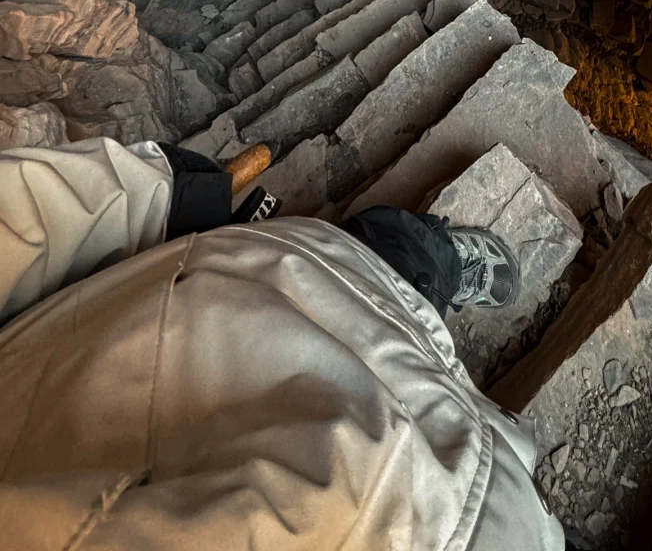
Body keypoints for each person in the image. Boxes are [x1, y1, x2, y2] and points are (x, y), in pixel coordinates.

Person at [0, 136, 565, 550]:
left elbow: (16, 222)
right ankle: (423, 276)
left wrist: (168, 201)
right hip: (390, 359)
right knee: (403, 280)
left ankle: (417, 256)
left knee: (392, 256)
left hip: (263, 299)